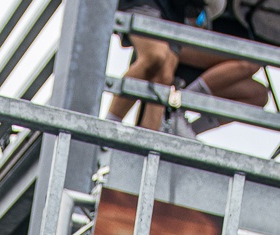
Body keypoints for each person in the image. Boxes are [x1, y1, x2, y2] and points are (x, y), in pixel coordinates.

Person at [108, 0, 269, 137]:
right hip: (153, 7)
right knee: (156, 56)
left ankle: (150, 141)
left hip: (175, 16)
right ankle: (109, 126)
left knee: (163, 75)